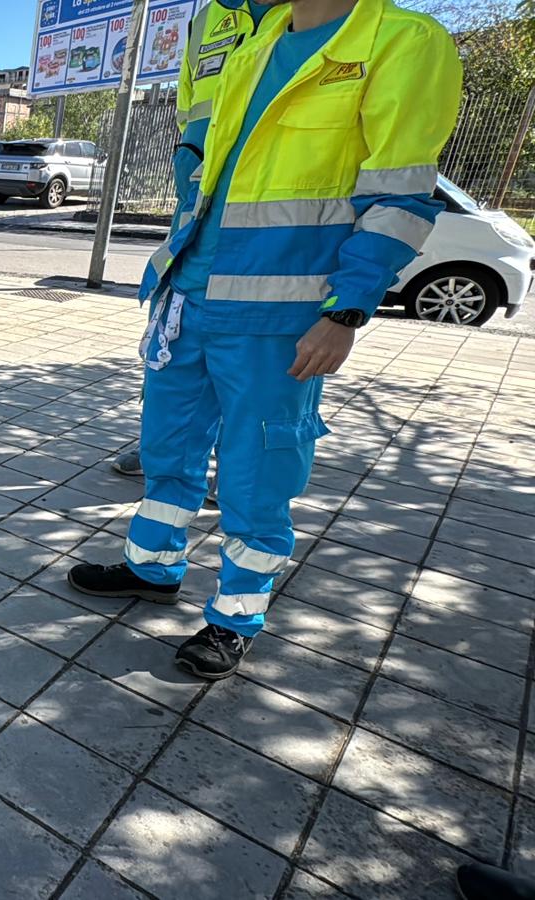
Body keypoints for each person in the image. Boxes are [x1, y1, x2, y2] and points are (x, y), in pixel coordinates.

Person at [68, 0, 462, 679]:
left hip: (280, 314)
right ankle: (154, 567)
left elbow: (400, 195)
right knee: (169, 446)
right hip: (190, 291)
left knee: (256, 474)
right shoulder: (255, 43)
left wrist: (345, 312)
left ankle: (235, 616)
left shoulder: (401, 40)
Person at [109, 0, 276, 482]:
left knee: (246, 369)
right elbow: (192, 112)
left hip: (269, 230)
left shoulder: (321, 17)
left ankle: (231, 469)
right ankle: (161, 445)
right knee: (171, 347)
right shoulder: (207, 20)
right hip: (197, 214)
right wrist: (187, 157)